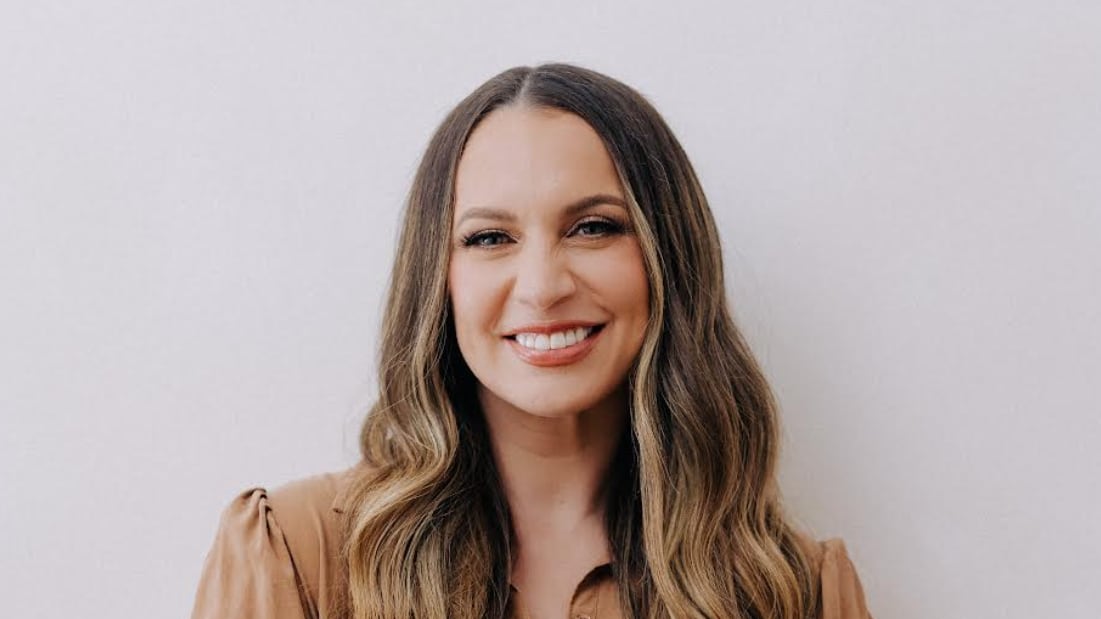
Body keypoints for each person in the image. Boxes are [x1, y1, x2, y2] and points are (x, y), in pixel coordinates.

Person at [190, 63, 873, 619]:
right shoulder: (297, 552)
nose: (542, 287)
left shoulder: (792, 589)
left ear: (668, 258)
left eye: (593, 227)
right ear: (437, 280)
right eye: (490, 237)